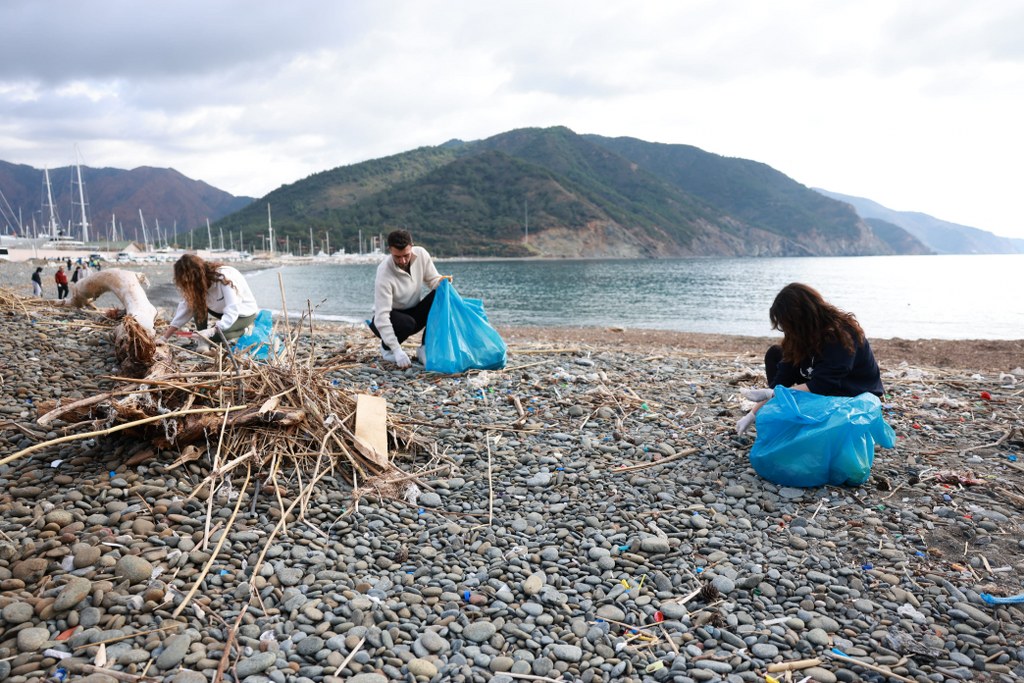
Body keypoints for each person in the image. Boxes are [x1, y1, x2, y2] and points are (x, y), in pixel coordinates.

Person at [738, 282, 883, 433]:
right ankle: (785, 410)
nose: (787, 331)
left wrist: (775, 394)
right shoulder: (800, 335)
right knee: (775, 353)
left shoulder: (841, 335)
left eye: (788, 325)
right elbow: (782, 381)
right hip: (821, 388)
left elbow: (822, 385)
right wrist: (752, 414)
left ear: (802, 319)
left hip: (853, 395)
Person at [369, 229, 451, 368]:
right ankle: (386, 348)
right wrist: (397, 350)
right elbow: (381, 316)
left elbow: (432, 281)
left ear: (412, 246)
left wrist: (442, 282)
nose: (402, 261)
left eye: (406, 255)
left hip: (413, 311)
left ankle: (424, 348)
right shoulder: (384, 272)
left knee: (441, 294)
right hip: (391, 319)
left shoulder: (422, 254)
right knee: (407, 323)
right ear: (390, 251)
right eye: (397, 257)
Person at [160, 254, 259, 344]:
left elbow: (232, 309)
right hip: (221, 312)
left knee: (217, 336)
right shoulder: (197, 285)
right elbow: (185, 309)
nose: (188, 285)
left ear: (197, 275)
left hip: (243, 313)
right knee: (195, 302)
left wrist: (212, 331)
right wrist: (164, 338)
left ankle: (244, 331)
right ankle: (202, 337)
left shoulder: (225, 278)